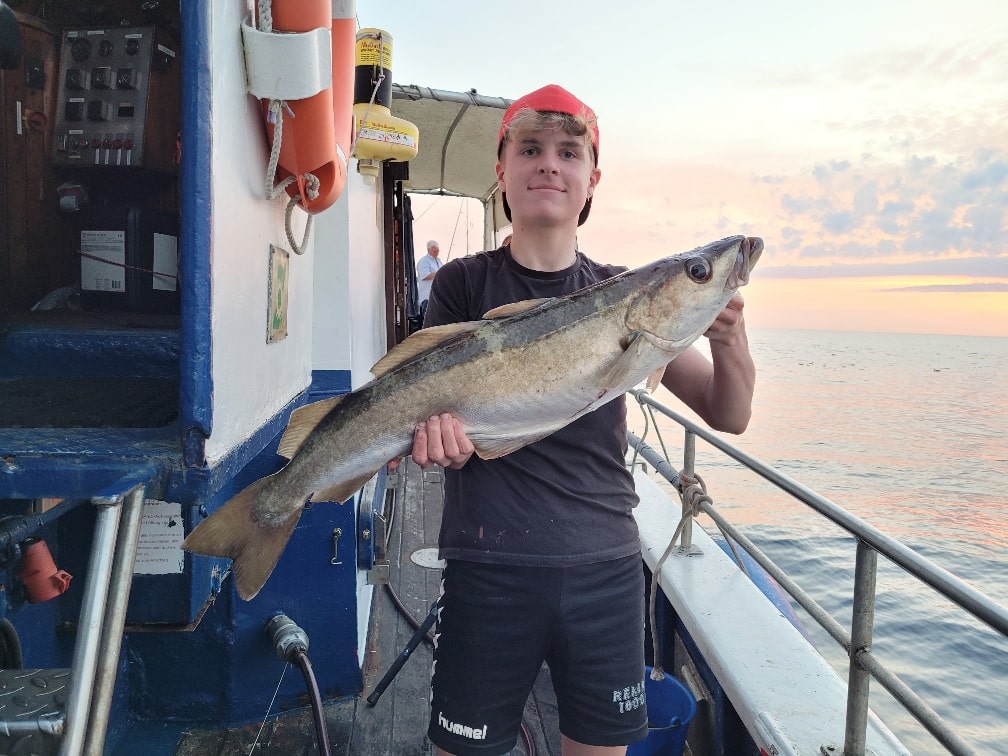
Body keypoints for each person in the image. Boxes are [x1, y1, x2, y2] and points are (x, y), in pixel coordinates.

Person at [404, 84, 755, 756]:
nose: (549, 165)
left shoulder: (633, 296)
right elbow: (434, 414)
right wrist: (442, 443)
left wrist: (725, 335)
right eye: (530, 149)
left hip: (604, 568)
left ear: (591, 180)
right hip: (488, 562)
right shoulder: (463, 287)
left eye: (569, 153)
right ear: (502, 171)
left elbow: (728, 414)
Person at [416, 239, 442, 325]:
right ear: (429, 249)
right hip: (427, 297)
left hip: (437, 297)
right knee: (427, 322)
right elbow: (425, 275)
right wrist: (439, 273)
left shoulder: (439, 261)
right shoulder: (424, 261)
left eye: (437, 250)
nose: (436, 252)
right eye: (434, 250)